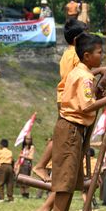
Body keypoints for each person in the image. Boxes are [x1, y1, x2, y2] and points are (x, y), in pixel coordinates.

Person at [33, 33, 106, 211]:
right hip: (71, 129)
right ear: (87, 55)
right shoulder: (83, 77)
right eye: (99, 53)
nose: (101, 56)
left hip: (73, 129)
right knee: (65, 178)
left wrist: (98, 79)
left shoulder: (82, 73)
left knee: (71, 177)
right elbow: (86, 105)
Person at [32, 19, 89, 182]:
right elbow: (79, 75)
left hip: (63, 97)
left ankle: (69, 170)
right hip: (69, 99)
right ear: (77, 39)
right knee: (61, 136)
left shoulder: (67, 53)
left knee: (63, 135)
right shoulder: (76, 55)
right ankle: (41, 165)